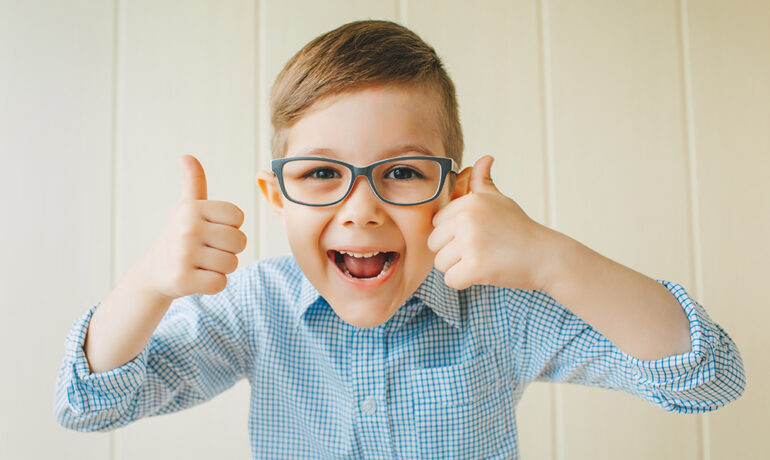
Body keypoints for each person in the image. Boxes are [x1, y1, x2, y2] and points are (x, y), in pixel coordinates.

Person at [54, 19, 745, 459]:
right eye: (322, 172)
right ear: (277, 197)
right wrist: (147, 284)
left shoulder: (502, 307)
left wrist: (552, 258)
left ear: (457, 194)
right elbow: (90, 405)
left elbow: (708, 378)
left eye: (405, 172)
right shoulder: (255, 306)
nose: (362, 210)